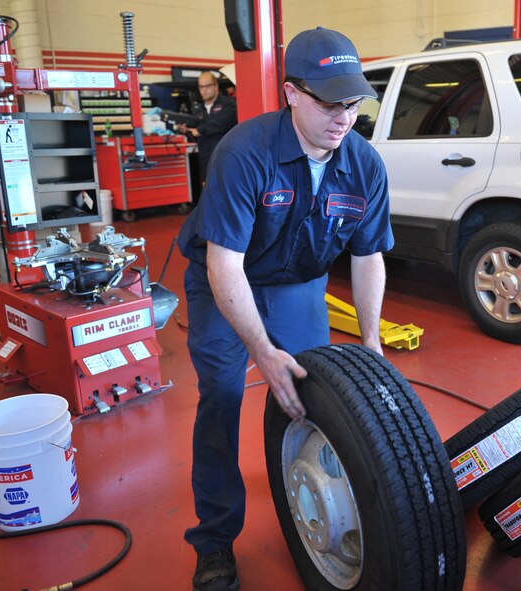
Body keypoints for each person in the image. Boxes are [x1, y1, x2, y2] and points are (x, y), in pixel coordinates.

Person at [176, 27, 393, 591]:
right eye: (328, 102)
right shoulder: (244, 154)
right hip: (224, 281)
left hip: (299, 285)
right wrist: (261, 350)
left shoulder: (364, 164)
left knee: (312, 393)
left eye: (352, 102)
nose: (343, 117)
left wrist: (369, 340)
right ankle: (215, 539)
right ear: (292, 93)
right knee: (223, 396)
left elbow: (369, 256)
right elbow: (225, 266)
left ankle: (312, 496)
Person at [178, 71, 238, 183]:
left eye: (207, 86)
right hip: (206, 161)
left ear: (216, 86)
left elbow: (220, 123)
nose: (204, 90)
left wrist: (200, 130)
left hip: (226, 160)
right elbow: (194, 129)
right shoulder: (198, 110)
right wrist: (186, 130)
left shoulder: (228, 105)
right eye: (201, 87)